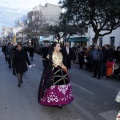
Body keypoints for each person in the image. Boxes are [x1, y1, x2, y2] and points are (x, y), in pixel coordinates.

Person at [38, 42, 74, 108]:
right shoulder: (50, 54)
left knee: (63, 85)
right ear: (54, 47)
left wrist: (64, 68)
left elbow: (61, 63)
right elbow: (47, 64)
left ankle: (60, 101)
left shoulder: (60, 54)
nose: (59, 47)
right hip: (53, 71)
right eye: (58, 46)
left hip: (61, 70)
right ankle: (53, 101)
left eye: (59, 46)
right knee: (53, 85)